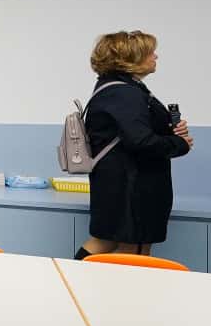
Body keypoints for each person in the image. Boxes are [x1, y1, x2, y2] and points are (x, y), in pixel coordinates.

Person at [74, 30, 193, 259]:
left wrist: (168, 131)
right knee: (133, 250)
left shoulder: (114, 88)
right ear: (131, 59)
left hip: (119, 181)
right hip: (133, 184)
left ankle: (74, 285)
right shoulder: (125, 93)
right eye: (150, 52)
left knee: (104, 240)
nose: (155, 56)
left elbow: (133, 132)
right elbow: (140, 141)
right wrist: (179, 143)